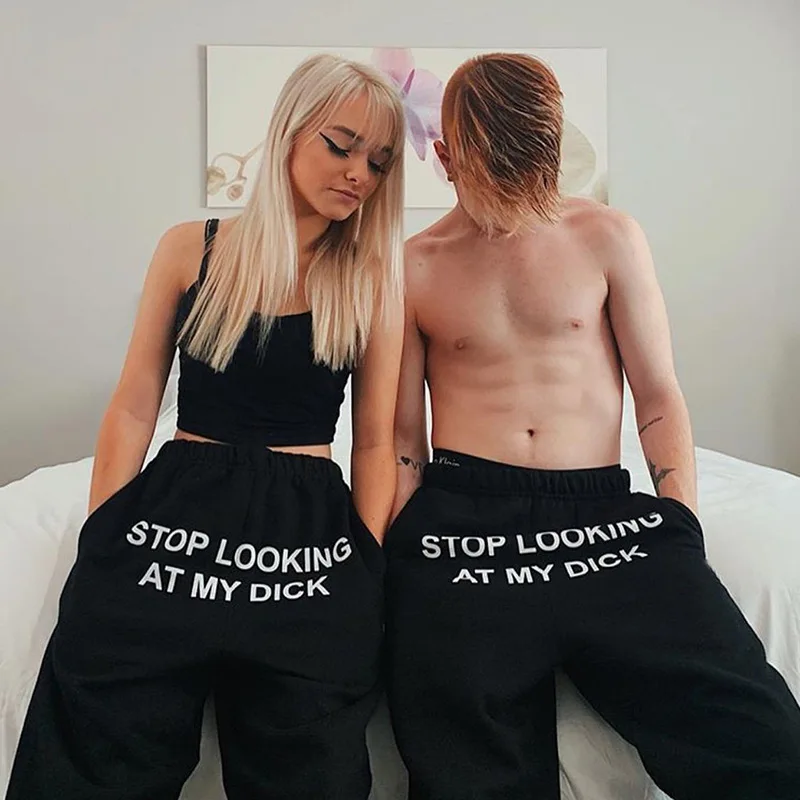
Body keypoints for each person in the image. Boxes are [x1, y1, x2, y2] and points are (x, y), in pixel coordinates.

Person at [385, 52, 800, 800]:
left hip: (601, 511)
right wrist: (399, 547)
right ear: (445, 161)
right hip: (465, 518)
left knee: (762, 734)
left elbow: (659, 394)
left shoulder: (608, 235)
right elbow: (404, 440)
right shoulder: (414, 265)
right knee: (462, 766)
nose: (516, 202)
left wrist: (680, 521)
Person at [7, 53, 405, 800]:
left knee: (312, 755)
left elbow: (379, 440)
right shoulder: (191, 247)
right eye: (341, 145)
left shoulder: (373, 278)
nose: (359, 173)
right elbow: (135, 404)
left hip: (307, 525)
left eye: (379, 162)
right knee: (100, 717)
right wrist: (103, 530)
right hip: (179, 503)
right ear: (290, 132)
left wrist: (367, 562)